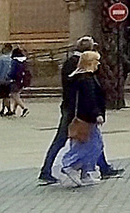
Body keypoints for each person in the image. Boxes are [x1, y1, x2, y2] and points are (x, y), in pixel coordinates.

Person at [39, 37, 120, 185]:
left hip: (76, 109)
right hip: (75, 110)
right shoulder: (79, 67)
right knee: (66, 139)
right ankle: (48, 170)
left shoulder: (76, 64)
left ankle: (100, 167)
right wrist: (95, 112)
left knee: (92, 139)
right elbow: (84, 92)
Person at [57, 49, 107, 187]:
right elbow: (90, 99)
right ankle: (71, 166)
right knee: (92, 144)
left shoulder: (82, 77)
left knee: (90, 143)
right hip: (86, 117)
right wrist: (97, 114)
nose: (98, 64)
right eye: (96, 61)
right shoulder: (86, 79)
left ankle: (85, 172)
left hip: (83, 116)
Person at [0, 48, 16, 117]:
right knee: (6, 95)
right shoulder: (12, 59)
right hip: (10, 78)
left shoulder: (1, 59)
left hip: (2, 79)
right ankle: (2, 109)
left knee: (5, 96)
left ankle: (9, 110)